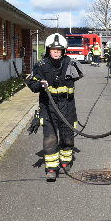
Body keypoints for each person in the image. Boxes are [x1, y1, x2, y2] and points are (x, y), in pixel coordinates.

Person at [26, 33, 83, 181]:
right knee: (50, 138)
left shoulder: (70, 63)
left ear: (63, 50)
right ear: (48, 50)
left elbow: (79, 74)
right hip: (48, 107)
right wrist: (39, 84)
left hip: (68, 106)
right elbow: (32, 85)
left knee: (67, 137)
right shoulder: (41, 65)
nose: (56, 52)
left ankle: (65, 162)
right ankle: (51, 168)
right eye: (53, 49)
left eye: (59, 50)